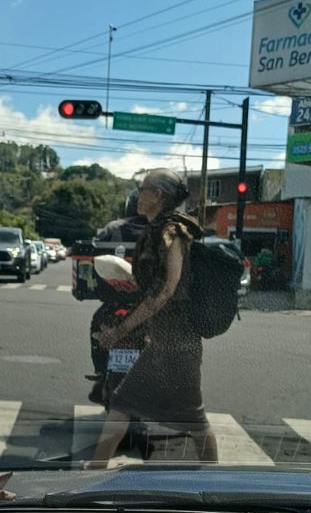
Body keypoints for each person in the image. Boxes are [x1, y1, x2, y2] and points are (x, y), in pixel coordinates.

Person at [90, 168, 218, 466]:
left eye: (143, 188)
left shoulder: (172, 233)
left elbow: (166, 291)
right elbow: (154, 286)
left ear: (158, 195)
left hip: (179, 346)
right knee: (120, 404)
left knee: (195, 420)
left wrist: (119, 331)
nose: (138, 194)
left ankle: (214, 477)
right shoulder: (154, 231)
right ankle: (93, 470)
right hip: (160, 344)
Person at [87, 189, 147, 403]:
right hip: (149, 304)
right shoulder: (161, 231)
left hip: (114, 304)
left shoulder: (112, 228)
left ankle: (101, 374)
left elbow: (94, 260)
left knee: (97, 326)